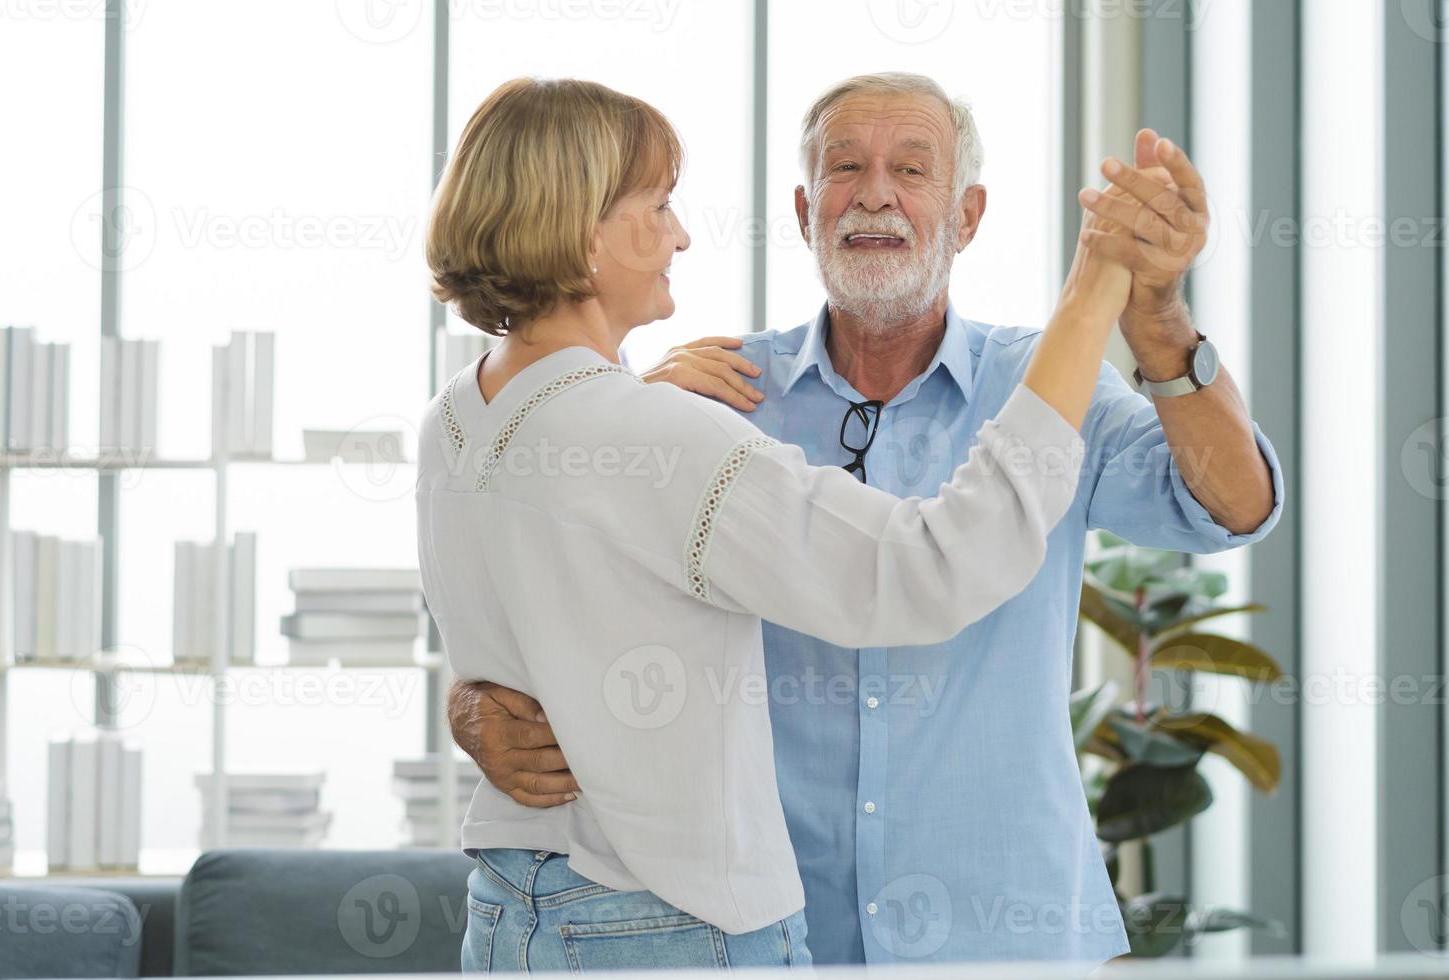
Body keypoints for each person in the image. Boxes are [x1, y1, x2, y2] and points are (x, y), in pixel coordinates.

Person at [447, 72, 1285, 968]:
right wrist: (473, 704)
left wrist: (1154, 317)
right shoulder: (708, 397)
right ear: (807, 210)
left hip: (1009, 928)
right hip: (775, 931)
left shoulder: (1050, 386)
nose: (874, 192)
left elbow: (1230, 506)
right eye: (845, 168)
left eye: (911, 169)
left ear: (967, 216)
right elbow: (557, 575)